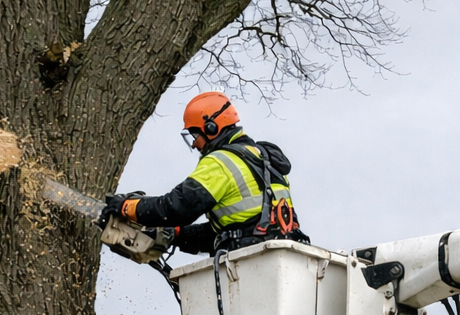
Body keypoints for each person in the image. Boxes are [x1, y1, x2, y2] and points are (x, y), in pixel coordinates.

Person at [100, 91, 308, 256]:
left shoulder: (221, 162)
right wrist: (176, 235)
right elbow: (234, 230)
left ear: (211, 127)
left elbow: (175, 208)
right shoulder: (262, 159)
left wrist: (126, 207)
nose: (194, 143)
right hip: (281, 253)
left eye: (195, 134)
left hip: (250, 261)